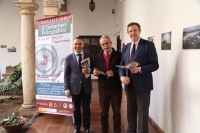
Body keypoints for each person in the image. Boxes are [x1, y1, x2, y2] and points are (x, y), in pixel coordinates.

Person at [119, 22, 159, 133]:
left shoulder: (148, 45)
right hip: (129, 85)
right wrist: (122, 76)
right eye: (130, 31)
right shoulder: (126, 47)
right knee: (130, 112)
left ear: (140, 31)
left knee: (142, 114)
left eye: (135, 30)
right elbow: (122, 64)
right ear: (128, 33)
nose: (132, 33)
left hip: (143, 86)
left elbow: (154, 65)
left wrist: (140, 69)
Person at [64, 37, 94, 133]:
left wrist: (88, 70)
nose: (78, 46)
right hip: (74, 87)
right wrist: (67, 89)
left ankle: (87, 128)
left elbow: (94, 69)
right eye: (76, 44)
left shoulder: (89, 56)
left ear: (83, 45)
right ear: (73, 45)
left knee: (87, 109)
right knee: (76, 109)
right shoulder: (68, 58)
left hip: (86, 87)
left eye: (80, 44)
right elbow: (66, 75)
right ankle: (77, 127)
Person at [93, 35, 122, 133]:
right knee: (104, 112)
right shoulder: (97, 57)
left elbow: (122, 69)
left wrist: (114, 73)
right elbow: (95, 68)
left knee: (117, 112)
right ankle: (104, 130)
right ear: (101, 45)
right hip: (103, 87)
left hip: (116, 87)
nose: (105, 45)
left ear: (111, 43)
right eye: (103, 44)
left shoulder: (119, 55)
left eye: (107, 43)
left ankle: (117, 130)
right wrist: (95, 72)